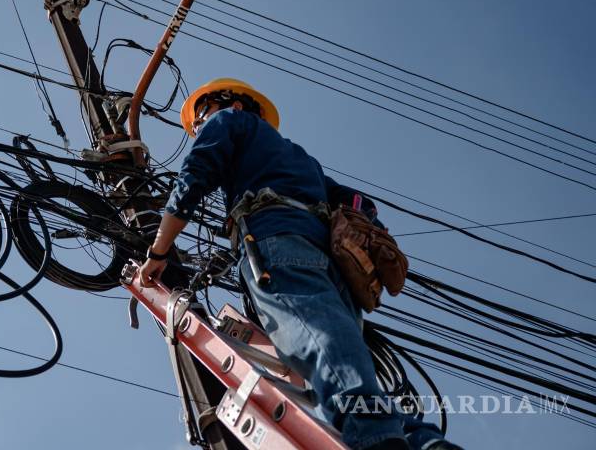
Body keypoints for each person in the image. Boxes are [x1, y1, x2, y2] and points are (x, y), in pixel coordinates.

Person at [137, 78, 458, 450]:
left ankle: (381, 443)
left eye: (202, 115)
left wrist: (158, 251)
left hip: (276, 245)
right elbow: (361, 205)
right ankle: (423, 442)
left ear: (234, 104)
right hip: (335, 267)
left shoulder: (229, 121)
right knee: (347, 368)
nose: (198, 126)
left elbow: (195, 173)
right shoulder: (304, 161)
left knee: (327, 355)